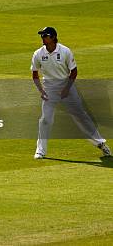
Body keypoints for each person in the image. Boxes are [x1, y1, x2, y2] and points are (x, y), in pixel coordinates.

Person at [31, 27, 110, 159]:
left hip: (67, 86)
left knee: (80, 116)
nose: (42, 38)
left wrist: (67, 89)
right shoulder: (38, 54)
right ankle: (40, 151)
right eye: (42, 36)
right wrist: (41, 90)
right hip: (49, 88)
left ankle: (101, 144)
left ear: (53, 37)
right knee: (45, 119)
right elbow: (34, 74)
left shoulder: (65, 51)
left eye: (45, 36)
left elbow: (73, 72)